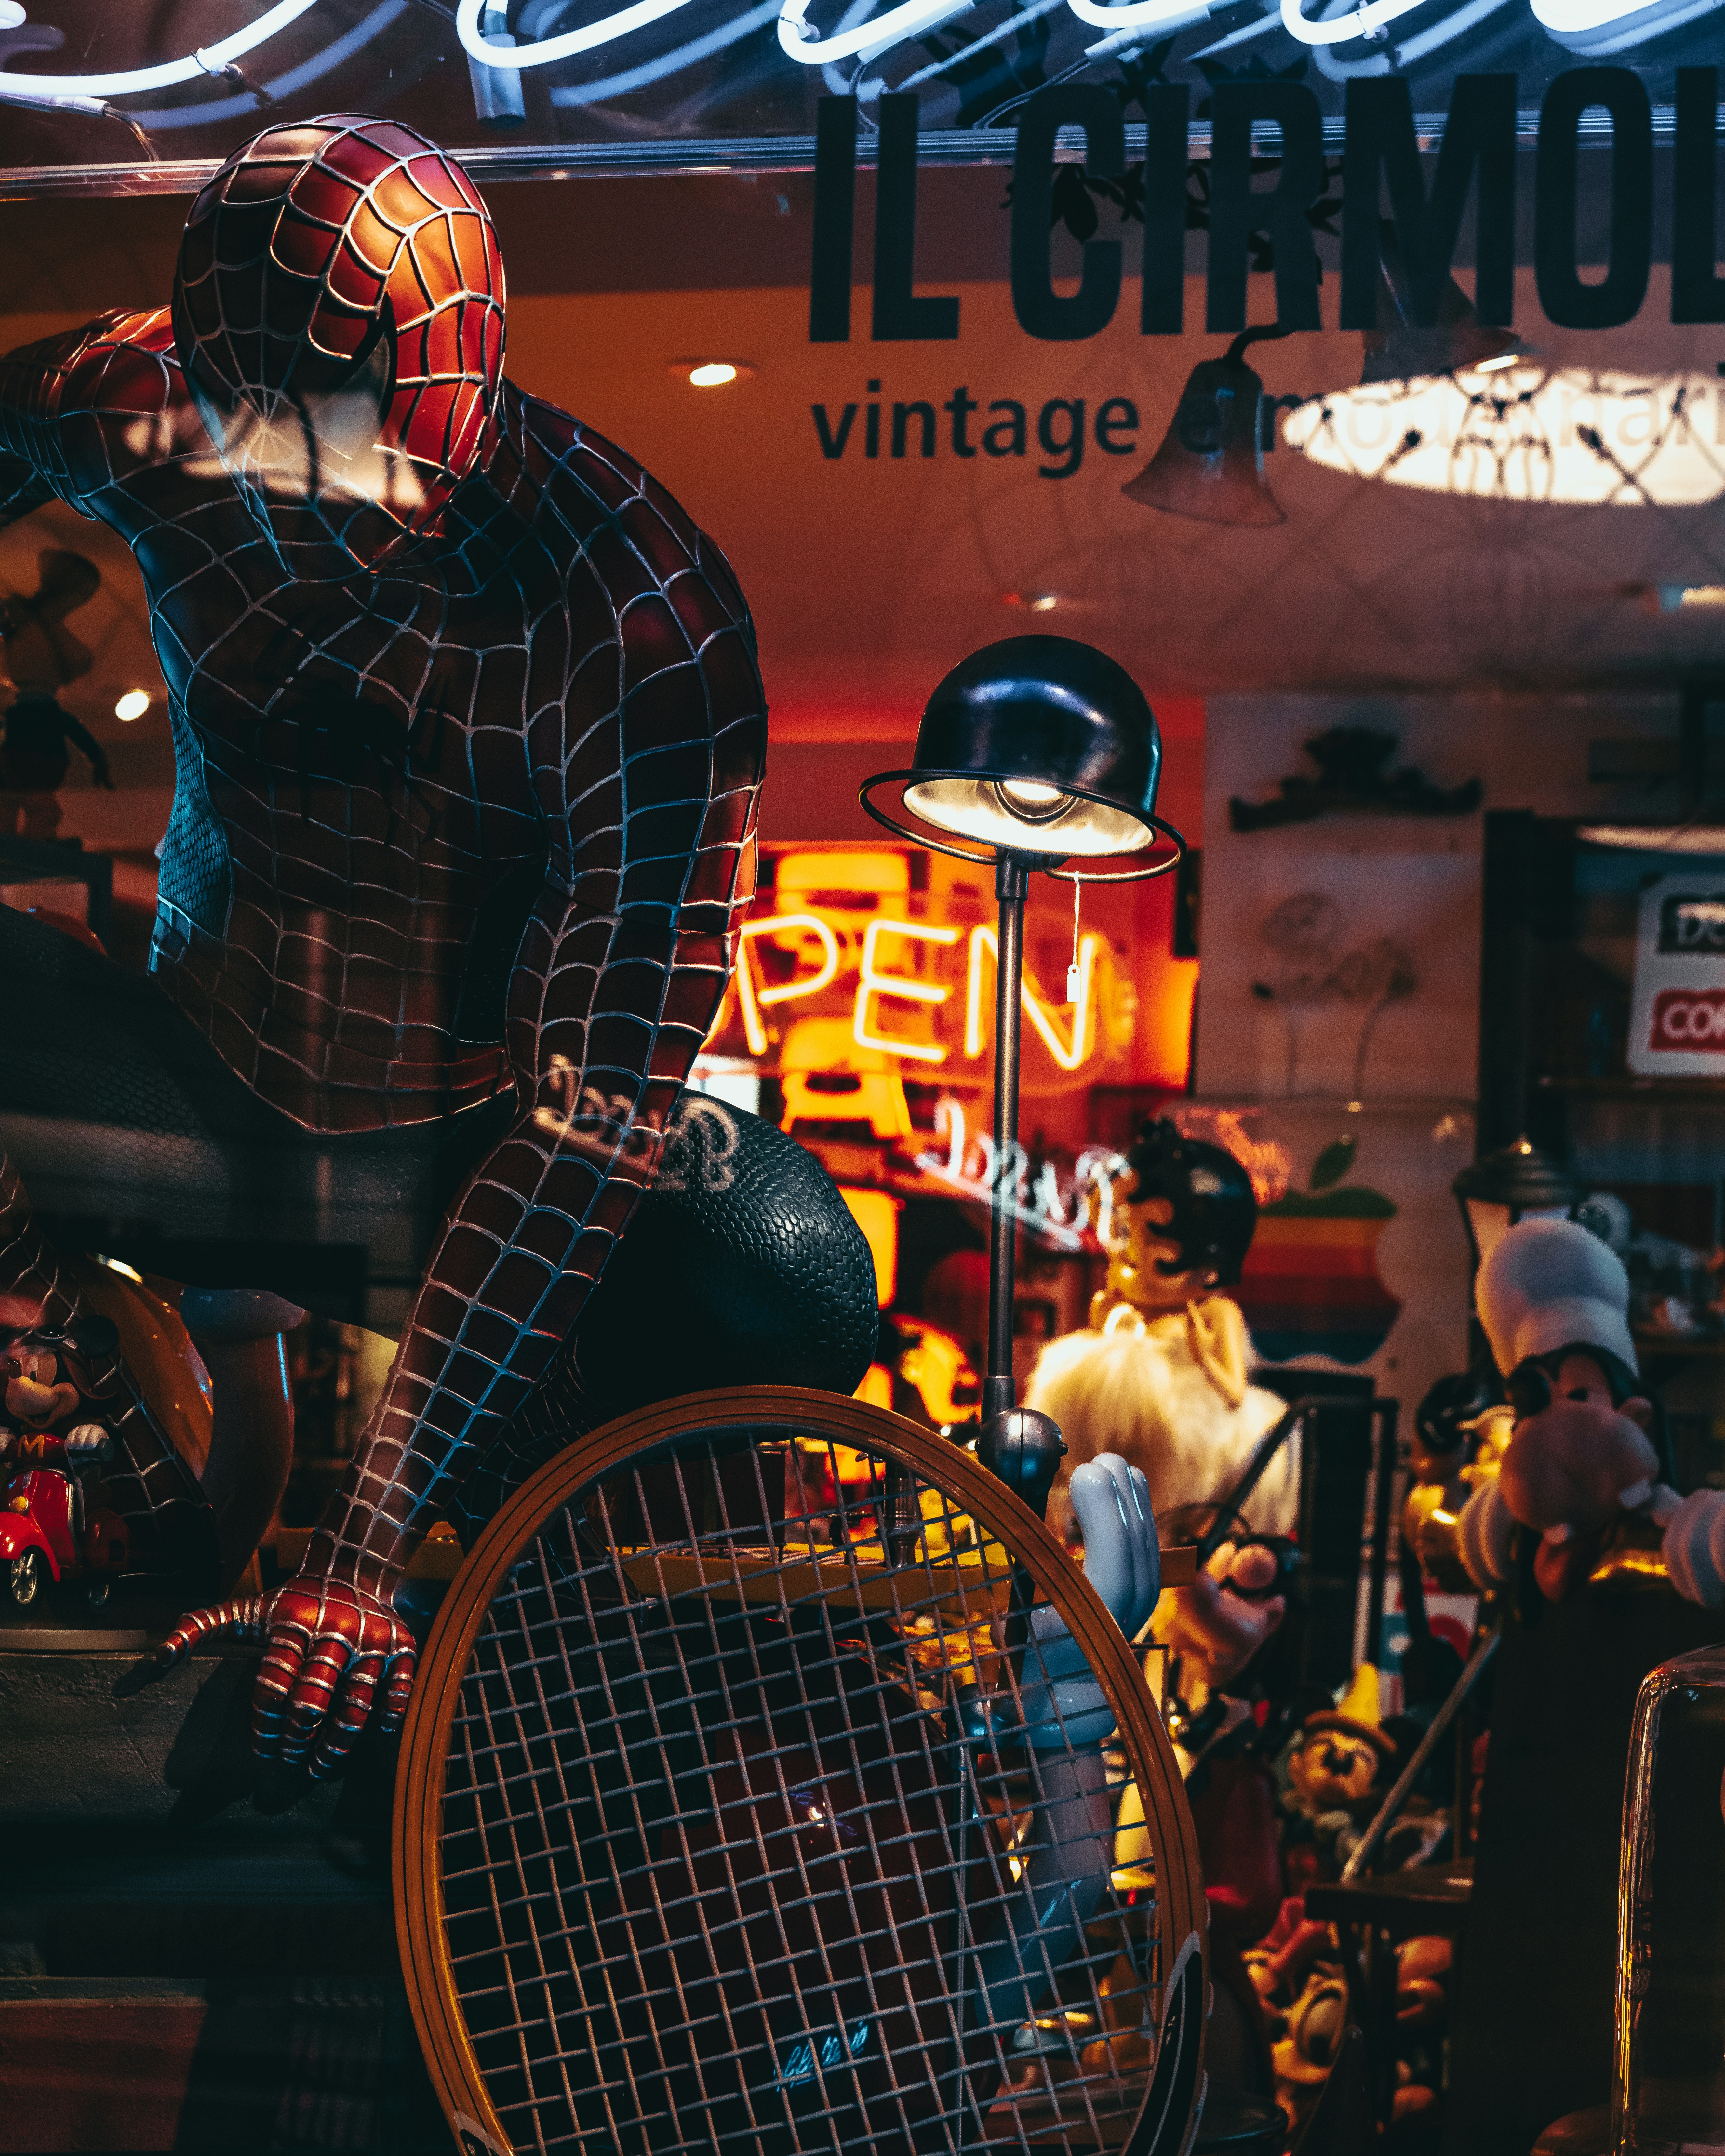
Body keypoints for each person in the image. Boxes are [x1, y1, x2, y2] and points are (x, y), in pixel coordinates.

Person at [0, 113, 774, 1781]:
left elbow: (596, 1119)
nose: (300, 501)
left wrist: (360, 1555)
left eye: (342, 455)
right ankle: (126, 1478)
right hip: (198, 1077)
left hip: (445, 1155)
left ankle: (549, 1627)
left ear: (457, 412)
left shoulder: (637, 626)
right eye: (255, 439)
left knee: (777, 1261)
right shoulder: (142, 410)